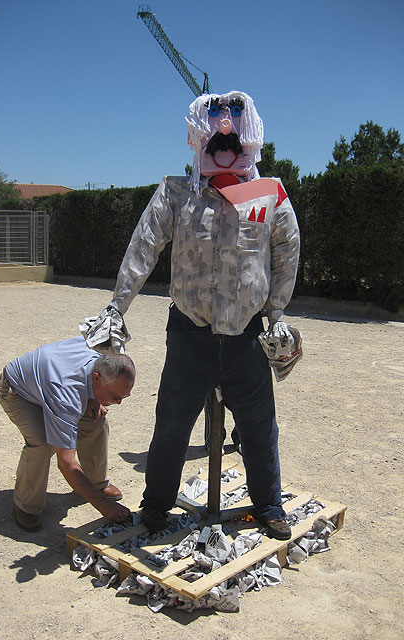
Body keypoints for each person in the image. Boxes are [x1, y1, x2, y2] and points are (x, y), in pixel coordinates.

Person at [83, 91, 300, 540]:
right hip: (189, 334)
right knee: (172, 426)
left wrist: (277, 311)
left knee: (259, 426)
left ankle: (269, 504)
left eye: (235, 132)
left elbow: (287, 252)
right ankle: (157, 504)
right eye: (215, 129)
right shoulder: (177, 194)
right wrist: (116, 307)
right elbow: (143, 247)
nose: (225, 138)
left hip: (246, 336)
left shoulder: (269, 194)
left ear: (250, 139)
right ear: (198, 139)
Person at [0, 335, 134, 531]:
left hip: (50, 384)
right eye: (114, 396)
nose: (118, 402)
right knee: (42, 443)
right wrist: (105, 508)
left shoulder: (101, 352)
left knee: (96, 419)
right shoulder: (66, 395)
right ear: (97, 378)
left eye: (123, 397)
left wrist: (95, 398)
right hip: (18, 391)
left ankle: (97, 483)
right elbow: (66, 463)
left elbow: (85, 378)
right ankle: (27, 506)